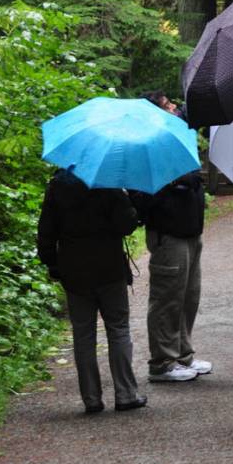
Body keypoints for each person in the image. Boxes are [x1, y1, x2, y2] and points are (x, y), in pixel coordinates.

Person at [37, 167, 147, 414]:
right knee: (118, 329)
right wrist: (127, 198)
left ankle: (91, 398)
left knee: (83, 334)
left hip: (73, 270)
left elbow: (46, 230)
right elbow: (127, 225)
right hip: (109, 268)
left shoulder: (57, 186)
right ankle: (126, 394)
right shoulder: (109, 183)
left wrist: (52, 263)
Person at [134, 92, 211, 382]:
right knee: (167, 298)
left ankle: (182, 355)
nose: (175, 108)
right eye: (168, 105)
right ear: (155, 114)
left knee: (188, 296)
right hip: (168, 235)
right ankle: (162, 363)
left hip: (190, 231)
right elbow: (141, 197)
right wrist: (176, 181)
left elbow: (194, 111)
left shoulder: (175, 141)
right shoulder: (145, 148)